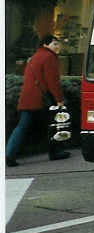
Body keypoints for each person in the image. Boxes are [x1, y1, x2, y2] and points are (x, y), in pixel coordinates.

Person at [6, 35, 68, 167]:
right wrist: (59, 99)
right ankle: (55, 152)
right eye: (54, 44)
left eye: (58, 44)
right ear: (46, 45)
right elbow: (52, 81)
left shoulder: (34, 57)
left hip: (27, 98)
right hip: (40, 99)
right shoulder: (49, 57)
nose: (58, 47)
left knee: (22, 126)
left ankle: (9, 154)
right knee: (53, 124)